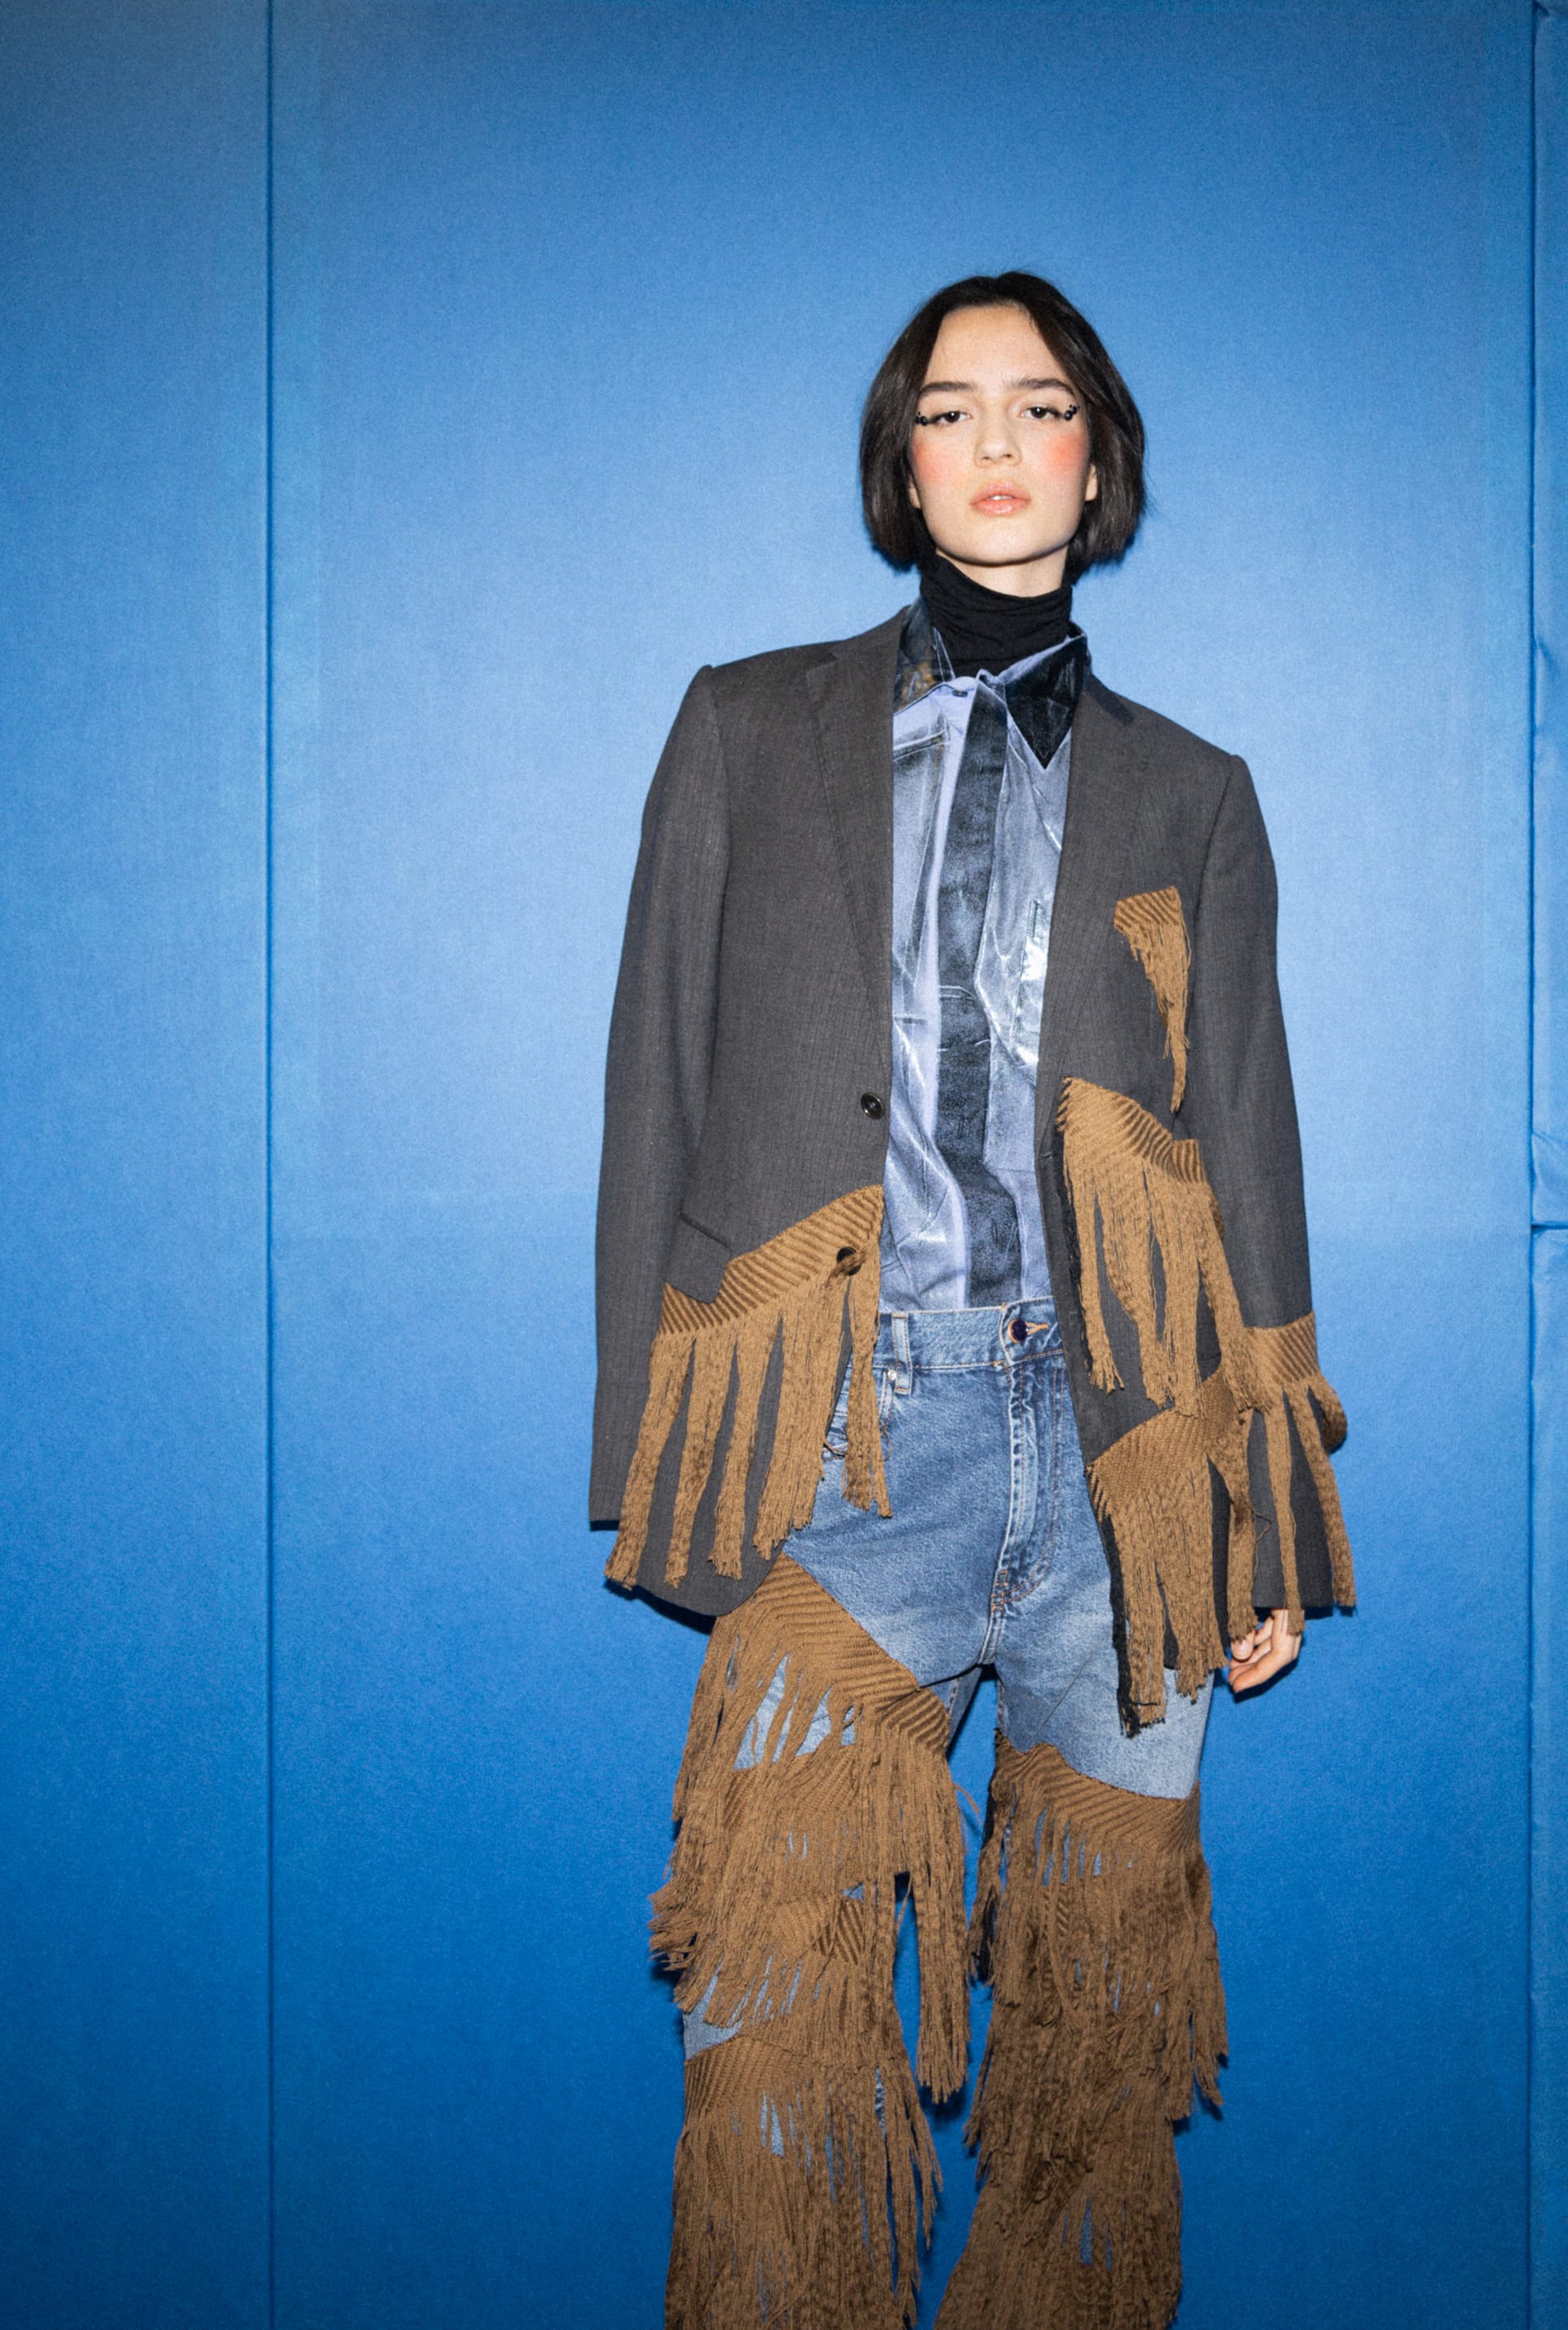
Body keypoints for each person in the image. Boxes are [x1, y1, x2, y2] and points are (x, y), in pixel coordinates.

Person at [591, 273, 1353, 2330]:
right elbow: (652, 1089)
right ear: (898, 458)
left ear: (1095, 459)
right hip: (843, 1454)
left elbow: (1245, 1158)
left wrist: (1257, 1517)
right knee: (768, 2063)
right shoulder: (744, 726)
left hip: (1129, 1476)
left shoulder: (1196, 792)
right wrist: (653, 1467)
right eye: (950, 409)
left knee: (1093, 2089)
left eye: (1039, 407)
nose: (996, 444)